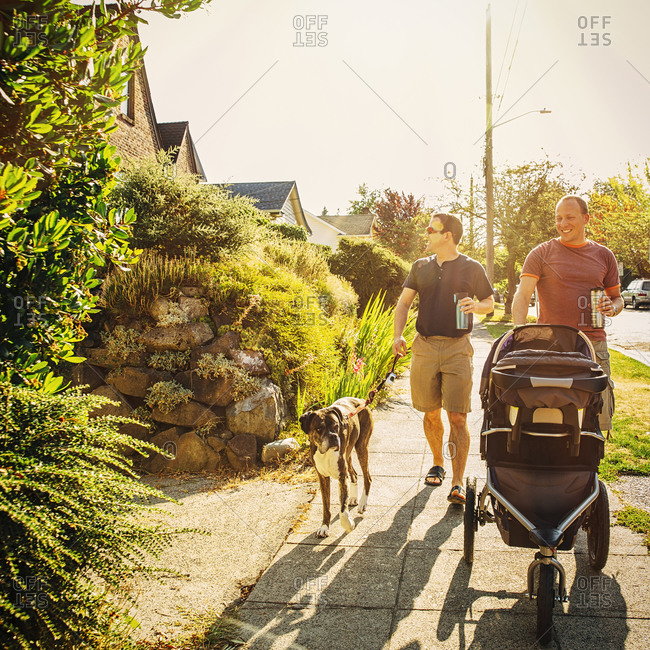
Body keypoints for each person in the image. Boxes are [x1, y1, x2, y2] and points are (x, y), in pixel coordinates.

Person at [392, 213, 494, 504]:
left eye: (430, 230)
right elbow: (404, 303)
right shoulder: (420, 266)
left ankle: (458, 481)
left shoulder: (471, 267)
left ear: (447, 235)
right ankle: (437, 461)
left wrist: (477, 305)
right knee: (431, 412)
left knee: (458, 416)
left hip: (457, 348)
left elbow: (490, 302)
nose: (426, 234)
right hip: (424, 346)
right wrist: (398, 335)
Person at [512, 195, 623, 434]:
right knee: (554, 413)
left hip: (593, 345)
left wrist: (612, 307)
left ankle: (589, 466)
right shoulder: (541, 253)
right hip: (551, 345)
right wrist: (518, 336)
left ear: (586, 219)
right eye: (558, 218)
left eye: (570, 217)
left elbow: (618, 298)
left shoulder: (604, 256)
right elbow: (522, 296)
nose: (563, 223)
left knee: (596, 416)